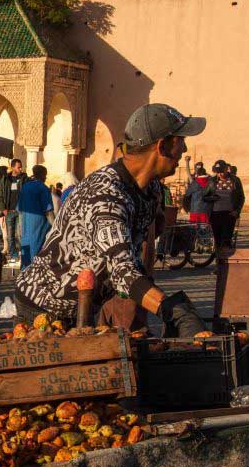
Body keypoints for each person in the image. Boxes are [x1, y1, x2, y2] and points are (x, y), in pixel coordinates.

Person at [12, 103, 208, 336]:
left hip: (85, 306)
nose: (184, 149)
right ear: (162, 146)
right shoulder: (105, 196)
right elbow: (123, 273)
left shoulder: (151, 187)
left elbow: (147, 234)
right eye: (180, 142)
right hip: (45, 307)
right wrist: (171, 310)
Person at [206, 159, 245, 256]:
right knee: (218, 241)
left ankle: (227, 263)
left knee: (227, 241)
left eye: (221, 171)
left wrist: (237, 211)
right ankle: (219, 265)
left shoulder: (235, 180)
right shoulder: (212, 181)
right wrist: (212, 198)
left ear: (226, 169)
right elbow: (204, 196)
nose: (220, 174)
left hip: (230, 215)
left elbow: (241, 197)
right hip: (215, 214)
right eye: (217, 172)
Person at [17, 164, 53, 268]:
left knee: (26, 258)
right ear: (42, 175)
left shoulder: (25, 187)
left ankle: (24, 279)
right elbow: (48, 211)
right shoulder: (43, 188)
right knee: (37, 256)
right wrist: (56, 226)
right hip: (38, 228)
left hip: (25, 229)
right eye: (45, 175)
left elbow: (20, 210)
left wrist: (19, 229)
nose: (46, 177)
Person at [0, 158, 27, 265]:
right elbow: (0, 195)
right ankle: (13, 255)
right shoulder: (5, 179)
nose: (20, 169)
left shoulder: (24, 178)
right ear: (13, 167)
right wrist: (3, 209)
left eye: (20, 167)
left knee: (20, 234)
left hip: (20, 211)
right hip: (9, 211)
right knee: (10, 235)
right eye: (18, 167)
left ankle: (22, 254)